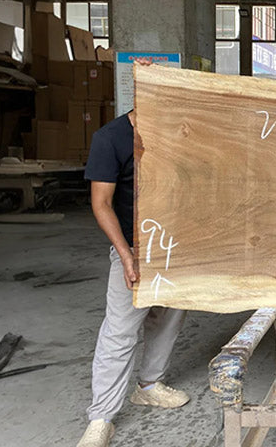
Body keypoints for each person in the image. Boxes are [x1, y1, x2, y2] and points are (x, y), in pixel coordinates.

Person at [77, 109, 190, 447]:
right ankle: (101, 418)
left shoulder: (179, 130)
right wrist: (126, 255)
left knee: (167, 318)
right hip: (135, 248)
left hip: (176, 246)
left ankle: (150, 386)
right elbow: (102, 203)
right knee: (120, 330)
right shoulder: (110, 138)